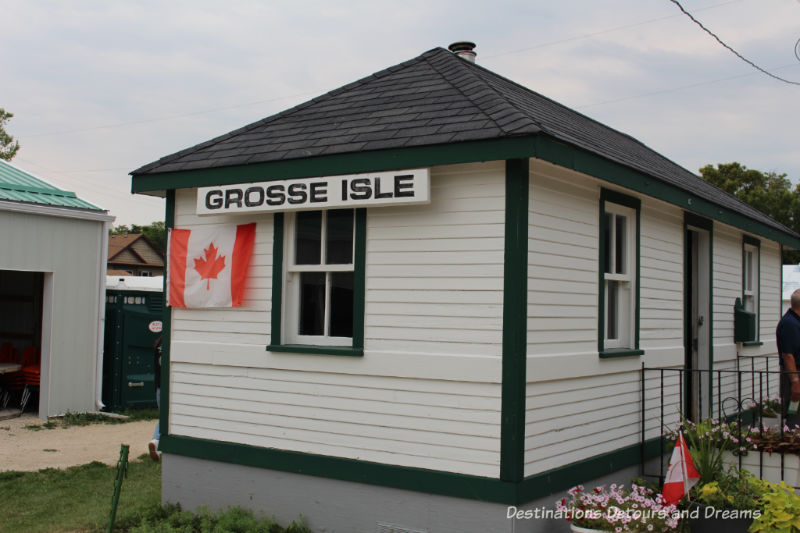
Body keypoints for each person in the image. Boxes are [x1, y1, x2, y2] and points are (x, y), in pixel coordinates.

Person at [776, 289, 800, 427]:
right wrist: (796, 382)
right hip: (794, 374)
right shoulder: (790, 323)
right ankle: (793, 441)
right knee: (795, 412)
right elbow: (788, 355)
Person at [148, 336, 162, 462]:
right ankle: (156, 440)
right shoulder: (169, 341)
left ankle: (157, 445)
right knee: (166, 418)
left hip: (158, 387)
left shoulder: (158, 344)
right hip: (167, 387)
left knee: (163, 416)